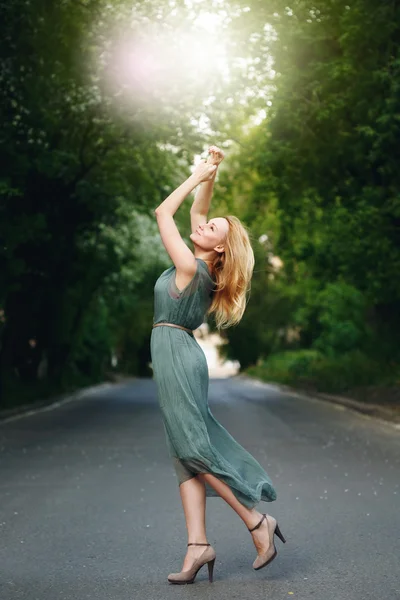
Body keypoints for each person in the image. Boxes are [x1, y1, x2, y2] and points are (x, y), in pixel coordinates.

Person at [150, 145, 286, 585]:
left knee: (192, 449)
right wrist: (211, 174)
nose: (203, 224)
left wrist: (194, 174)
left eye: (211, 228)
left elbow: (162, 213)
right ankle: (198, 545)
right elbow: (200, 208)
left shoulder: (190, 266)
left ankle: (255, 522)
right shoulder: (203, 264)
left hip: (177, 354)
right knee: (182, 454)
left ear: (220, 247)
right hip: (177, 353)